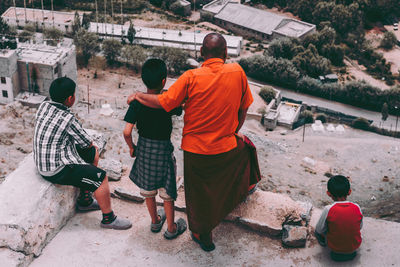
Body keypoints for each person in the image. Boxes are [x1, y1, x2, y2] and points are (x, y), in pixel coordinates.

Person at [127, 33, 261, 251]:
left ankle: (203, 235)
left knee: (198, 196)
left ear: (201, 53)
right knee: (246, 148)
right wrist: (234, 131)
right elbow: (244, 108)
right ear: (226, 53)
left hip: (196, 152)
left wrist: (138, 95)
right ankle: (249, 185)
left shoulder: (191, 77)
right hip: (226, 147)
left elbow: (165, 102)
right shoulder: (237, 72)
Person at [33, 77, 131, 230]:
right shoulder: (67, 119)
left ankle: (85, 200)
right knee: (100, 176)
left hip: (44, 162)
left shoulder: (44, 106)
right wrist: (92, 148)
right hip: (56, 170)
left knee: (90, 153)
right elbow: (86, 142)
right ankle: (108, 219)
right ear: (70, 99)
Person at [123, 58, 187, 239]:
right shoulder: (166, 101)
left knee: (148, 191)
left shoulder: (137, 102)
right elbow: (181, 105)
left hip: (143, 150)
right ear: (163, 81)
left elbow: (127, 131)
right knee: (167, 194)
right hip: (163, 152)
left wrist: (131, 148)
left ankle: (155, 221)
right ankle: (172, 229)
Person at [315, 175, 363, 261]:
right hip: (354, 247)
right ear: (349, 192)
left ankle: (325, 243)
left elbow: (319, 230)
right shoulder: (357, 207)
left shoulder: (328, 209)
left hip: (335, 249)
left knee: (318, 231)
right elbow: (360, 227)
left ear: (328, 193)